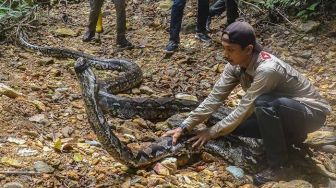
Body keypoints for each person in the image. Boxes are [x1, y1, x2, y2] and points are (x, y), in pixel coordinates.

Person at [162, 21, 331, 185]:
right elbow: (214, 98)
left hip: (311, 114)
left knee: (263, 104)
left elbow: (245, 107)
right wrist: (184, 126)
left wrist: (211, 132)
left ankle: (279, 166)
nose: (225, 54)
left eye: (231, 50)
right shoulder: (234, 65)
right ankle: (291, 139)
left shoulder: (267, 69)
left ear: (249, 49)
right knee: (235, 128)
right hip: (284, 111)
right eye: (224, 48)